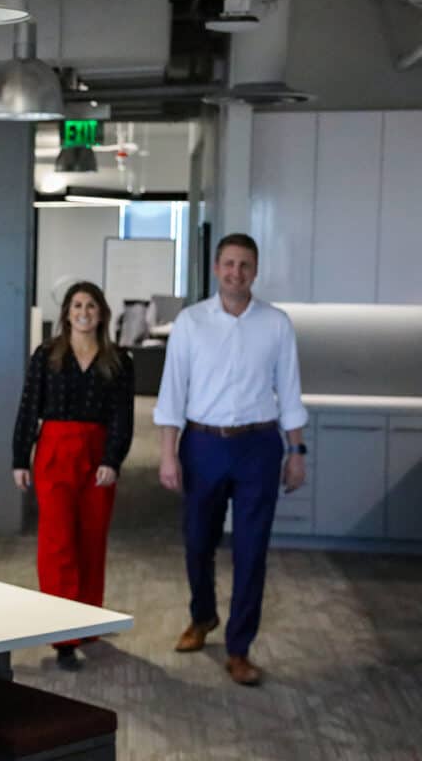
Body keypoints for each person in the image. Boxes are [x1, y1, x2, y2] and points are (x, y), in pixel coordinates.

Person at [154, 233, 308, 686]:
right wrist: (167, 455)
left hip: (259, 447)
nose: (236, 272)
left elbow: (291, 392)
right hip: (202, 445)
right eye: (229, 264)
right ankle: (203, 617)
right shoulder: (191, 322)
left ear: (255, 272)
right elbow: (172, 394)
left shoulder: (276, 324)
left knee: (251, 550)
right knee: (198, 541)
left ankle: (240, 648)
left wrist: (296, 451)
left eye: (245, 265)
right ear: (217, 268)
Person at [11, 281, 134, 671]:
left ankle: (87, 620)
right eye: (77, 305)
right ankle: (62, 633)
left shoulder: (119, 360)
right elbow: (29, 407)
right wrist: (20, 457)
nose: (84, 311)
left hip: (97, 454)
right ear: (66, 312)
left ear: (102, 313)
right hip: (54, 453)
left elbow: (122, 417)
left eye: (92, 305)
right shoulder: (47, 355)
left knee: (91, 539)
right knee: (57, 542)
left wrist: (113, 459)